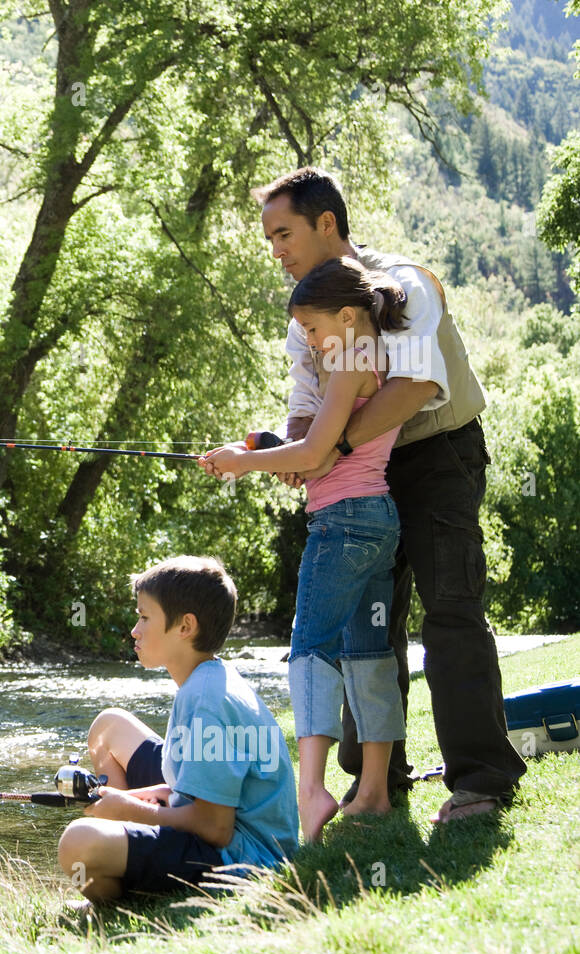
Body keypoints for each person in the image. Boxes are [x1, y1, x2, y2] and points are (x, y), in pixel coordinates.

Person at [251, 167, 525, 823]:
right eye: (270, 240)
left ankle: (482, 781)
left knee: (451, 607)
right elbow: (305, 402)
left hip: (436, 459)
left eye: (283, 234)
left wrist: (329, 449)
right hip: (359, 479)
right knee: (369, 626)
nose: (277, 251)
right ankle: (377, 784)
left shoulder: (406, 283)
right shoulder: (305, 318)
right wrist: (298, 450)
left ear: (327, 224)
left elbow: (415, 388)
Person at [203, 258, 406, 842]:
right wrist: (279, 452)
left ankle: (311, 791)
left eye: (313, 329)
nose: (310, 343)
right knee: (368, 654)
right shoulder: (376, 355)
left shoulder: (346, 360)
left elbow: (316, 453)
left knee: (310, 649)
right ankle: (374, 792)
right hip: (378, 520)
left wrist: (242, 462)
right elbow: (326, 448)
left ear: (346, 316)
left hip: (341, 523)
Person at [57, 556, 298, 901]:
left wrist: (129, 810)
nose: (134, 630)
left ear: (185, 627)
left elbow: (216, 826)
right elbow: (187, 788)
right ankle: (124, 850)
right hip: (216, 827)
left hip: (244, 860)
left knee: (77, 844)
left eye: (144, 617)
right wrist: (127, 799)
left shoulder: (206, 699)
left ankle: (121, 884)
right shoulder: (206, 678)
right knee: (108, 726)